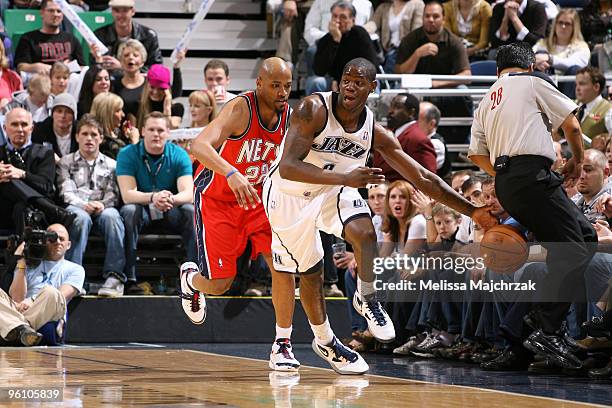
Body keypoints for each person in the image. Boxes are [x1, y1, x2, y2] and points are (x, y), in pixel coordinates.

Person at [264, 57, 495, 374]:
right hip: (290, 195)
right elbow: (288, 167)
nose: (350, 85)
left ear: (372, 88)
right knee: (311, 272)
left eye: (358, 81)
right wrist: (347, 179)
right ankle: (323, 342)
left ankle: (367, 298)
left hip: (333, 190)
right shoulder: (314, 108)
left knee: (365, 233)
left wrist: (473, 211)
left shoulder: (374, 130)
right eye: (346, 78)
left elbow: (424, 178)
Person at [468, 42, 597, 369]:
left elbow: (476, 154)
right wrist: (578, 162)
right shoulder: (532, 81)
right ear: (528, 67)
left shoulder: (485, 101)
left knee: (583, 237)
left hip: (507, 181)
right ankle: (546, 328)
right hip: (532, 177)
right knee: (575, 249)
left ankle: (522, 331)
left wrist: (505, 175)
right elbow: (572, 125)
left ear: (498, 71)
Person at [177, 58, 299, 372]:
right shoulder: (240, 108)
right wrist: (231, 172)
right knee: (220, 284)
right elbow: (199, 145)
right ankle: (191, 280)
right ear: (259, 83)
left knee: (283, 267)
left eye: (287, 85)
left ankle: (283, 344)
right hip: (219, 198)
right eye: (275, 85)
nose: (282, 91)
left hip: (259, 202)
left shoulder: (291, 117)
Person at [116, 111, 195, 295]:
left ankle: (193, 279)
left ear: (168, 132)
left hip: (170, 208)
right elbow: (128, 195)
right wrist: (153, 197)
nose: (156, 134)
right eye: (151, 129)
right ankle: (129, 278)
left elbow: (188, 193)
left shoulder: (179, 154)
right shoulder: (127, 154)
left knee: (190, 211)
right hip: (142, 210)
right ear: (143, 131)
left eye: (160, 130)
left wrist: (170, 199)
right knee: (128, 210)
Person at [56, 115, 125, 297]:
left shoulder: (112, 165)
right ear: (77, 136)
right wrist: (84, 205)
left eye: (94, 134)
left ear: (101, 138)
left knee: (113, 217)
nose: (89, 138)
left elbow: (113, 194)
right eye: (85, 134)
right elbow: (66, 192)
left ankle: (114, 276)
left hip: (102, 208)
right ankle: (73, 277)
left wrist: (101, 205)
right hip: (77, 207)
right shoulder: (66, 162)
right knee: (80, 218)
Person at [0, 224, 84, 346]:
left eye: (62, 239)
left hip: (48, 311)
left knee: (51, 292)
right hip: (22, 310)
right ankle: (23, 331)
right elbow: (17, 298)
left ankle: (13, 328)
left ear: (69, 245)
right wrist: (21, 261)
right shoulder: (28, 264)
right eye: (53, 239)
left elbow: (61, 296)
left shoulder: (76, 269)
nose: (58, 242)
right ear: (45, 242)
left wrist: (32, 300)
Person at [0, 108, 75, 234]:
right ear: (5, 128)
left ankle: (21, 252)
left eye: (24, 124)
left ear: (32, 128)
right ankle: (52, 210)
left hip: (34, 213)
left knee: (21, 206)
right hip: (3, 208)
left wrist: (22, 175)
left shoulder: (45, 153)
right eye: (14, 124)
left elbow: (45, 187)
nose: (20, 129)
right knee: (8, 178)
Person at [308, 0, 380, 95]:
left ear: (352, 20)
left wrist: (342, 81)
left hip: (357, 80)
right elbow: (319, 70)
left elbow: (371, 66)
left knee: (371, 84)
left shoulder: (360, 34)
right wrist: (335, 41)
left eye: (343, 17)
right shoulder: (326, 39)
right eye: (334, 16)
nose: (337, 21)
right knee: (315, 82)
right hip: (333, 82)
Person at [373, 93, 437, 178]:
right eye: (391, 106)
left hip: (402, 190)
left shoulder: (418, 139)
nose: (390, 111)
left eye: (397, 107)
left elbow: (429, 179)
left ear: (411, 112)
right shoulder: (388, 133)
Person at [14, 0, 85, 75]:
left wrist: (65, 68)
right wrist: (35, 67)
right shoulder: (28, 38)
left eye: (59, 11)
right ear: (42, 13)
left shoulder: (71, 39)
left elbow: (83, 67)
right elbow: (20, 67)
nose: (55, 14)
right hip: (41, 81)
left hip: (66, 81)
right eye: (51, 11)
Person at [532, 9, 590, 98]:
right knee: (537, 57)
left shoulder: (581, 46)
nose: (563, 26)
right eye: (560, 22)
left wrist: (549, 59)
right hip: (546, 85)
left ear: (575, 27)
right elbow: (527, 58)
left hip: (567, 89)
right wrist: (537, 63)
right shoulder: (543, 44)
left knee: (575, 70)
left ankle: (567, 109)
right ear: (555, 25)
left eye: (567, 24)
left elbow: (576, 64)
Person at [92, 0, 163, 70]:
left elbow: (157, 69)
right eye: (117, 10)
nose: (120, 15)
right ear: (112, 12)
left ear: (133, 11)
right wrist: (98, 61)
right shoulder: (100, 35)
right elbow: (93, 69)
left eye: (125, 11)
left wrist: (123, 67)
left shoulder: (149, 35)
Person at [364, 0, 424, 74]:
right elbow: (373, 24)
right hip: (387, 51)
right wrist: (360, 30)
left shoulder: (418, 4)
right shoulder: (384, 7)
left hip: (406, 51)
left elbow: (416, 32)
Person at [32, 92, 78, 161]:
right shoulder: (40, 130)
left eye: (68, 112)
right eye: (59, 111)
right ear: (52, 114)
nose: (63, 116)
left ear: (74, 116)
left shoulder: (81, 131)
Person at [574, 67, 610, 140]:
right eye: (576, 84)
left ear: (596, 87)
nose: (577, 88)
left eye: (582, 84)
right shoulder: (572, 105)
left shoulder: (609, 110)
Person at [417, 101, 451, 178]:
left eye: (417, 120)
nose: (412, 123)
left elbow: (423, 172)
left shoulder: (435, 144)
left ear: (431, 124)